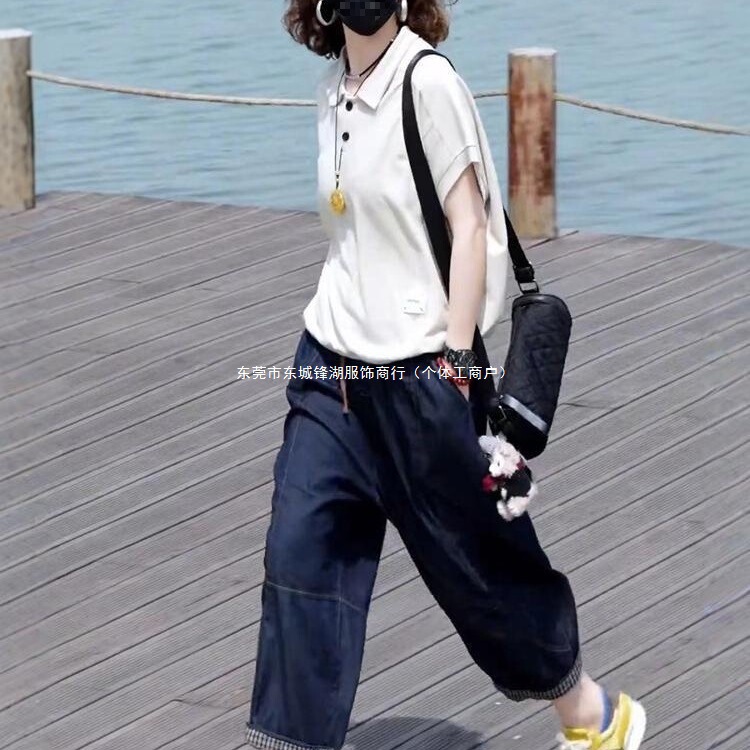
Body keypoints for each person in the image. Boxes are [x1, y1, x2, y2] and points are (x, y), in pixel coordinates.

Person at [245, 2, 647, 749]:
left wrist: (458, 357)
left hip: (422, 373)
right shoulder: (334, 91)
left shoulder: (427, 82)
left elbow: (470, 224)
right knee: (300, 553)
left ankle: (591, 713)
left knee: (475, 563)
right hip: (329, 368)